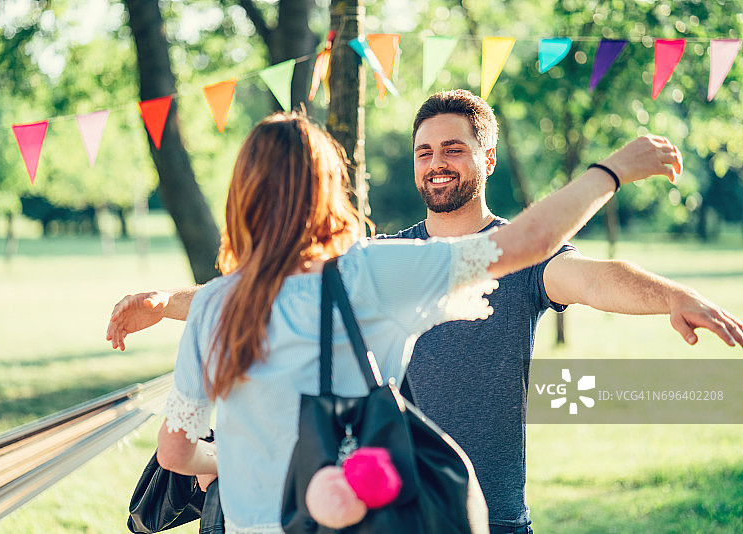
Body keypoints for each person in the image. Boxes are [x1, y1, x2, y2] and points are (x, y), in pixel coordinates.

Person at [106, 100, 719, 534]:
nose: (435, 162)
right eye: (426, 150)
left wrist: (237, 463)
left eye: (453, 148)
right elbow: (530, 241)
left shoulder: (217, 306)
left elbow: (176, 457)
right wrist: (610, 171)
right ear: (329, 187)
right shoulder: (372, 273)